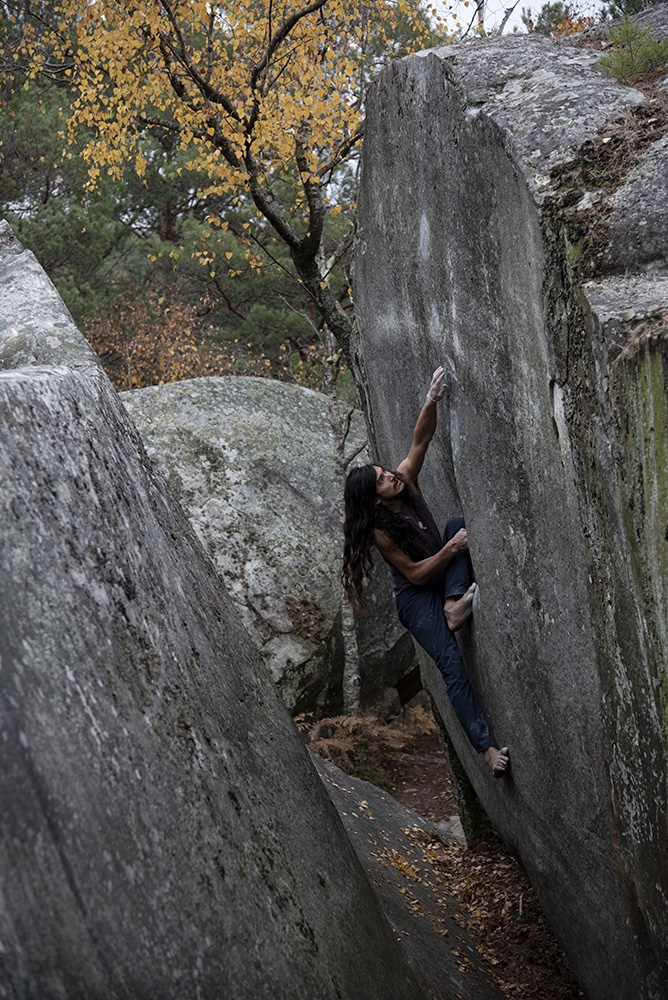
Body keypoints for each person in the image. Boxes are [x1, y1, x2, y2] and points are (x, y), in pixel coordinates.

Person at [342, 366, 509, 778]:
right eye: (382, 480)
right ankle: (485, 747)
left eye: (386, 472)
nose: (391, 477)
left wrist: (431, 399)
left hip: (440, 577)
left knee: (454, 523)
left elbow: (422, 439)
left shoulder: (407, 482)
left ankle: (455, 606)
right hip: (416, 599)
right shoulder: (381, 532)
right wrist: (451, 550)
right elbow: (415, 575)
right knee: (451, 663)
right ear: (374, 499)